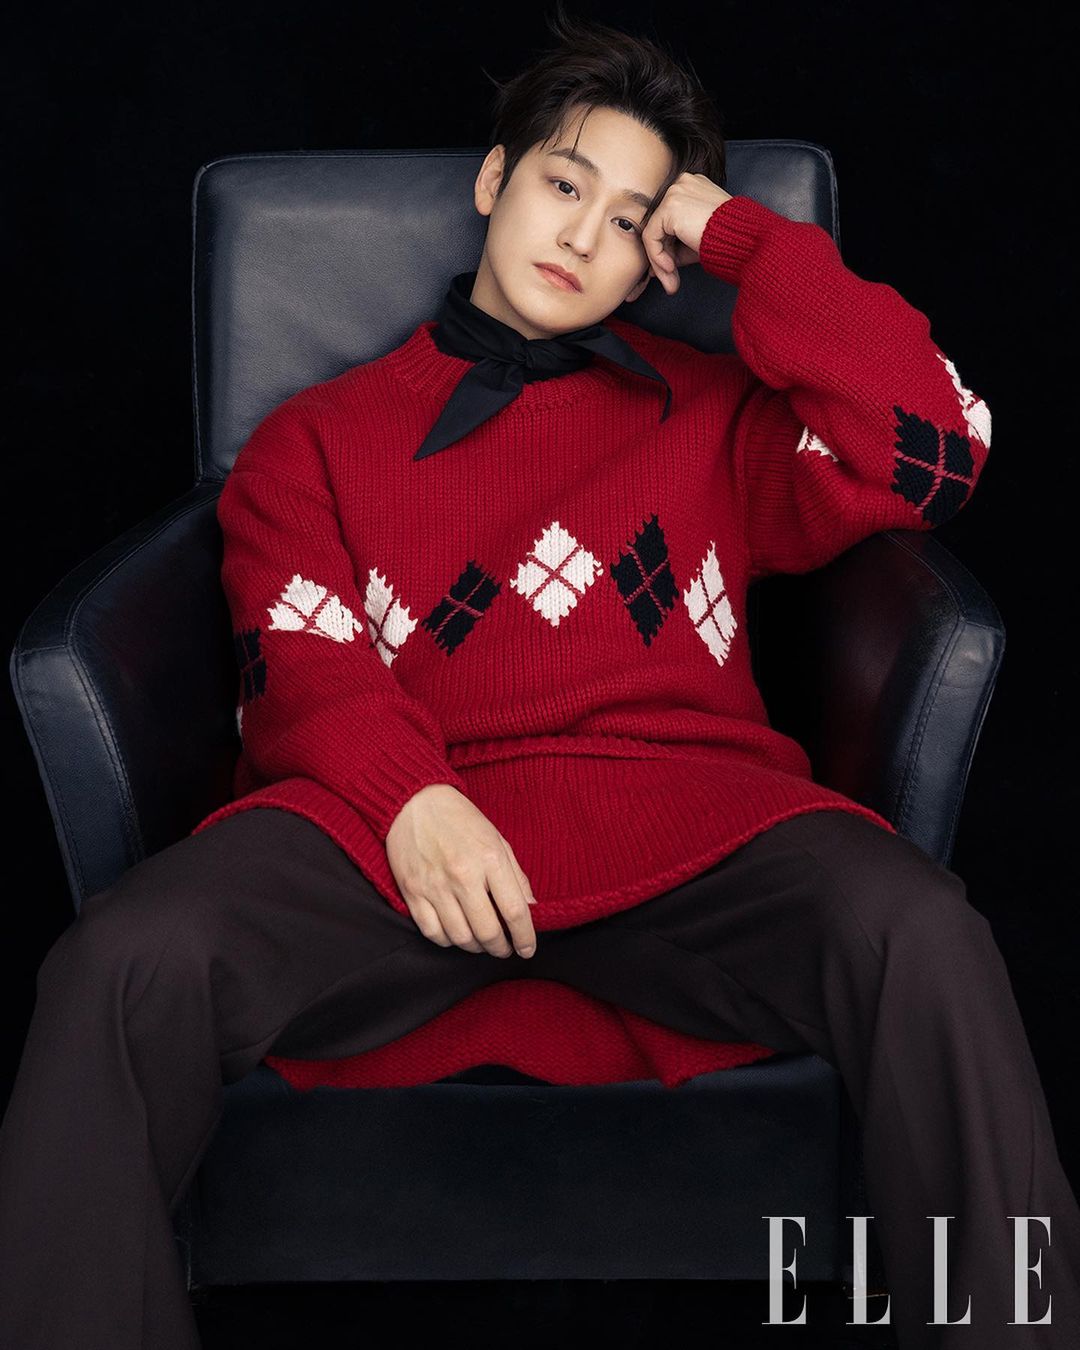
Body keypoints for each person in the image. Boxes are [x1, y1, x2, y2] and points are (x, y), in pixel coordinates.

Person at [2, 4, 1077, 1347]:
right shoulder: (314, 438)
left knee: (923, 935)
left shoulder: (720, 418)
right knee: (121, 965)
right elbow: (302, 659)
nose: (581, 237)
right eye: (565, 186)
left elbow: (937, 445)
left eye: (631, 219)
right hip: (395, 843)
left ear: (659, 255)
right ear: (494, 181)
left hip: (691, 830)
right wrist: (411, 796)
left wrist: (746, 242)